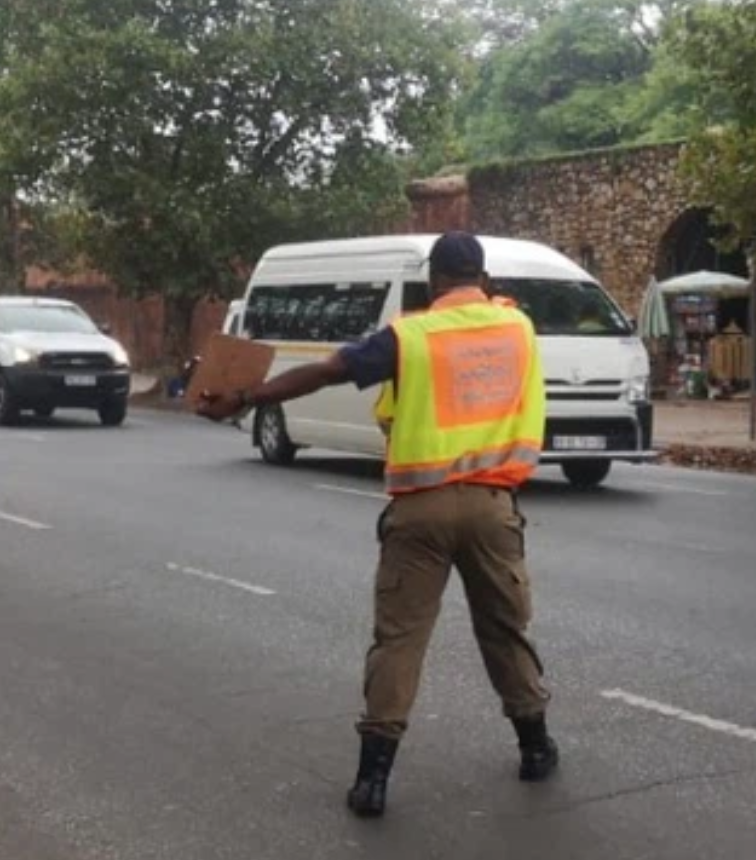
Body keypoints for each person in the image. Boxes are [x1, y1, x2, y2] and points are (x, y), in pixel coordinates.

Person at [197, 232, 555, 819]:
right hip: (494, 506)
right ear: (482, 277)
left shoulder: (409, 337)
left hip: (420, 510)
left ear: (433, 280)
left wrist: (246, 397)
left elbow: (326, 373)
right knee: (505, 630)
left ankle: (372, 781)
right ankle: (536, 747)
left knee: (399, 641)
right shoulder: (519, 329)